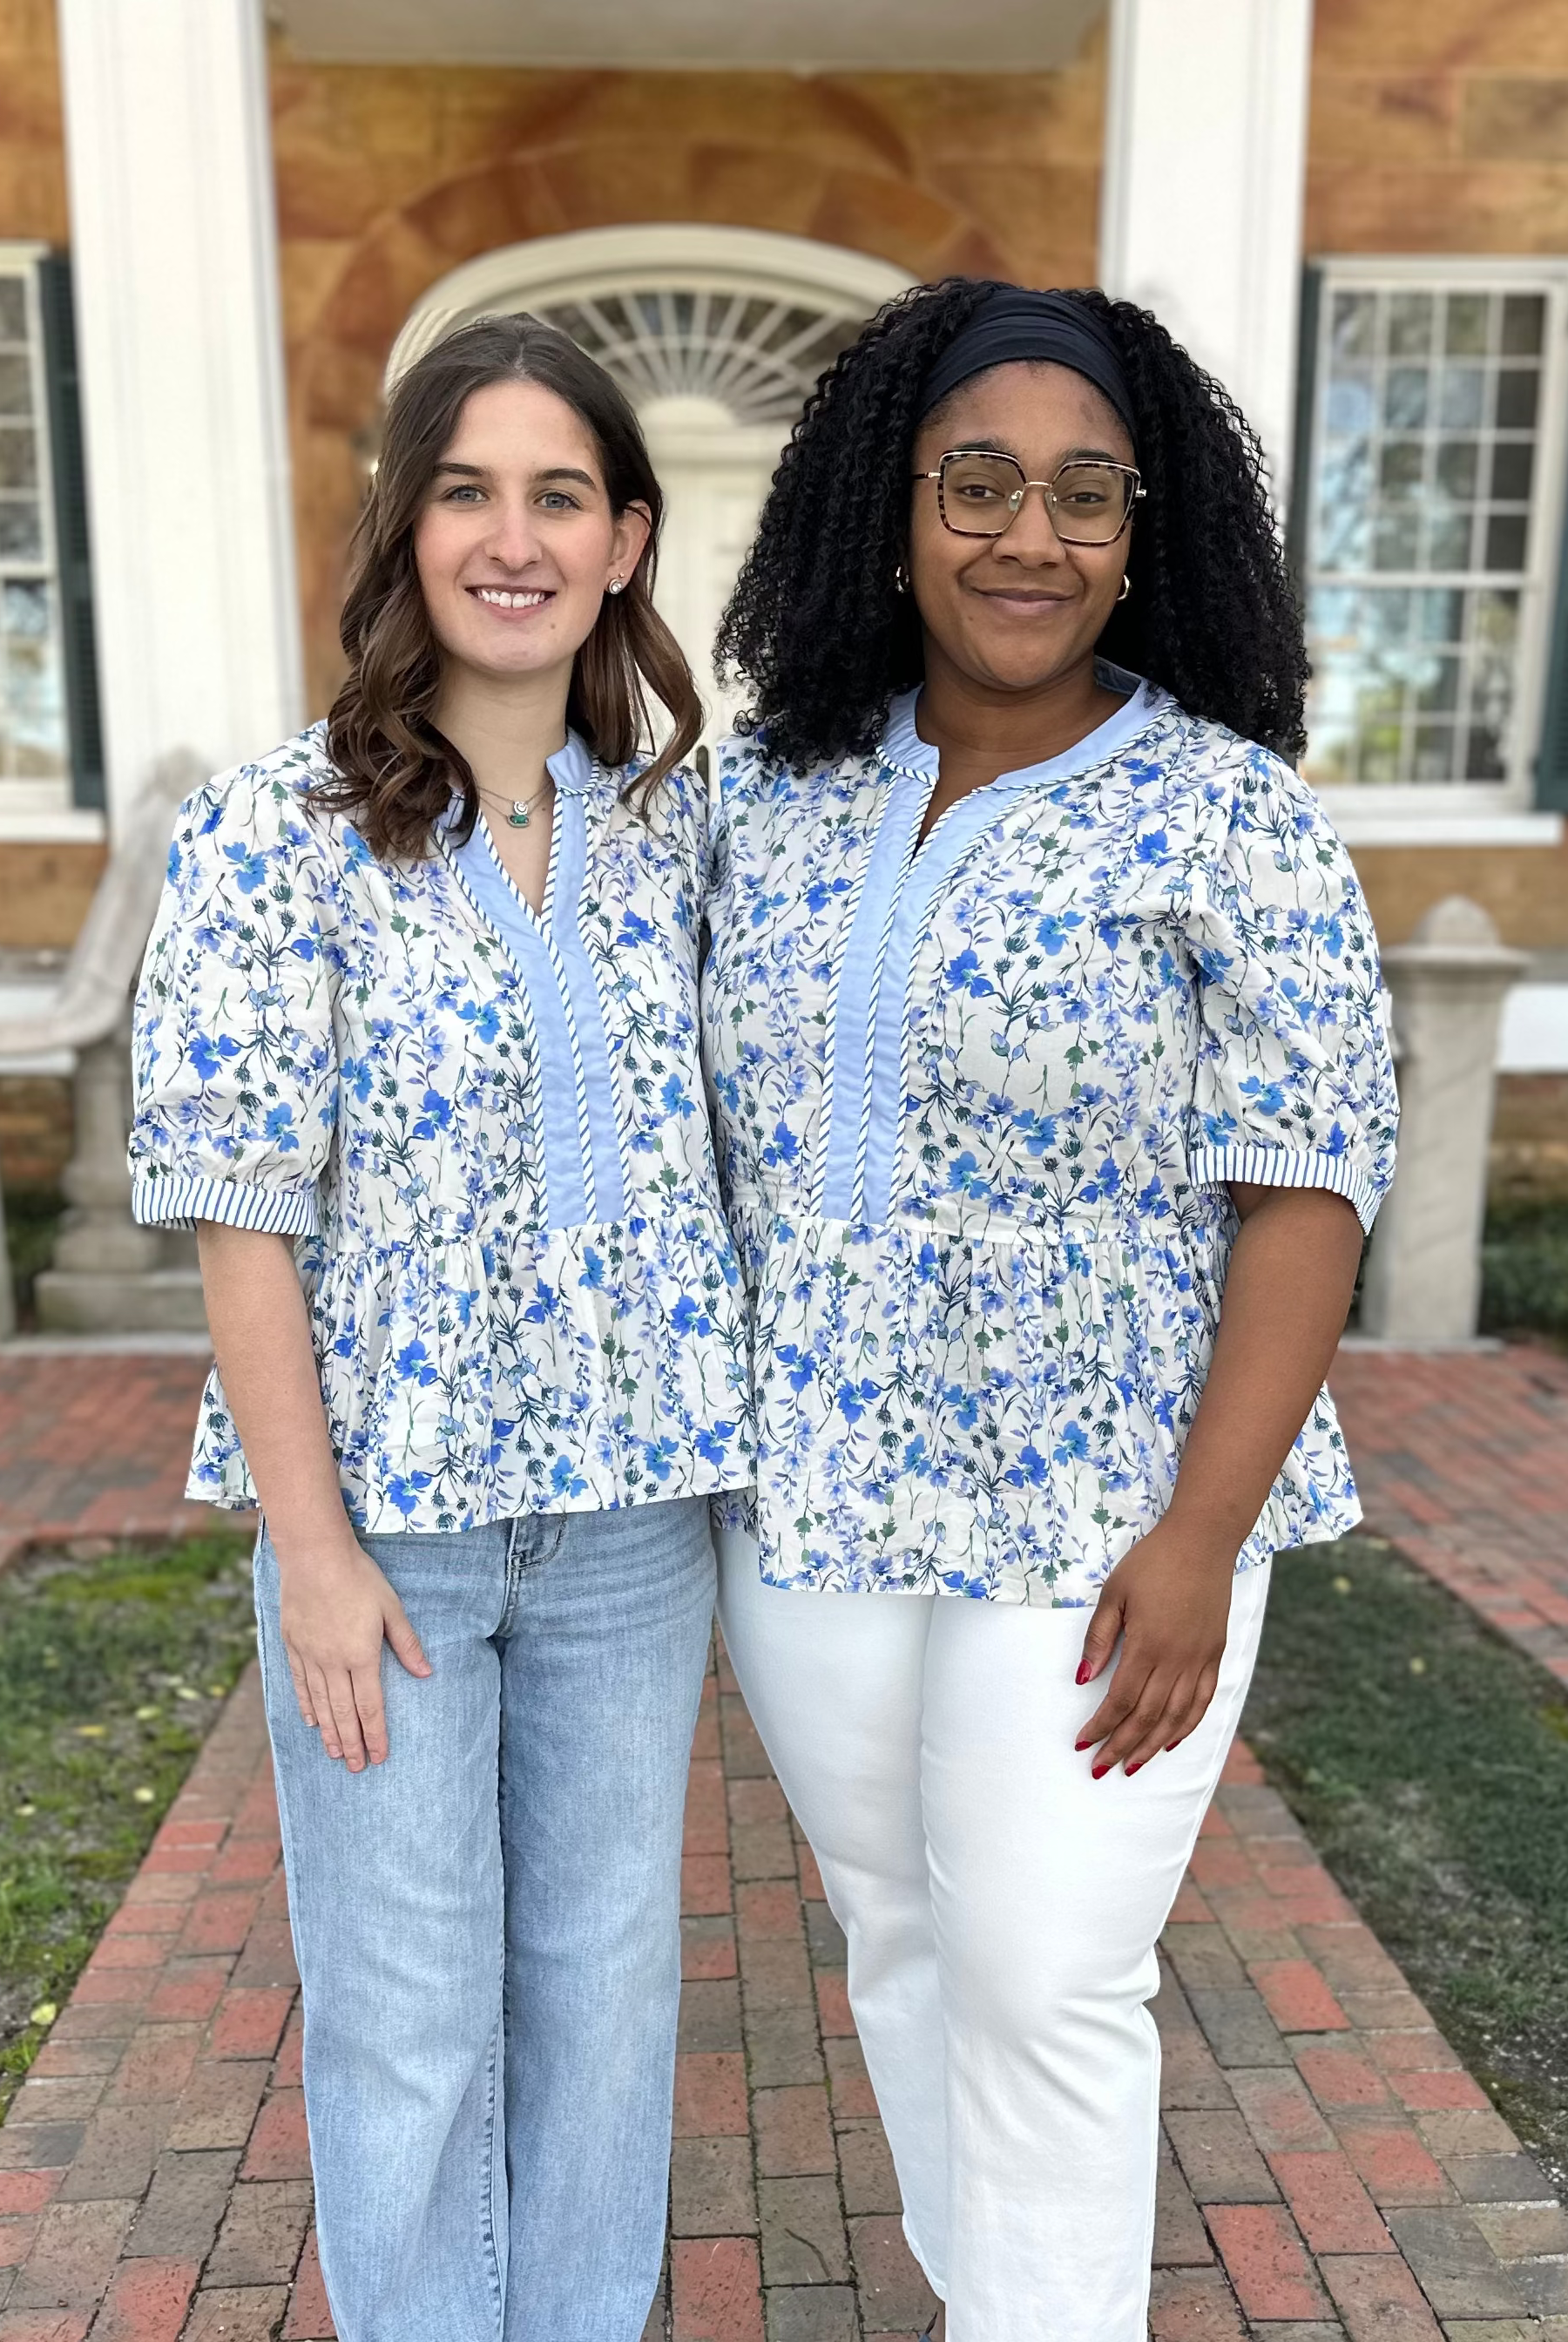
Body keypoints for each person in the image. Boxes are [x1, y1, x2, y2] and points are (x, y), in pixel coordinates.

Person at [700, 280, 1397, 2341]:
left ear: (1146, 528)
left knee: (1045, 1970)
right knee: (902, 1939)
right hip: (815, 1488)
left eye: (1085, 495)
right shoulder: (772, 795)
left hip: (1110, 1503)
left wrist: (1202, 1538)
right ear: (885, 509)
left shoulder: (1229, 813)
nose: (1030, 537)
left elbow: (1308, 1191)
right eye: (978, 483)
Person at [130, 313, 752, 2342]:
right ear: (405, 532)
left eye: (557, 494)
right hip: (384, 1532)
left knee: (602, 2000)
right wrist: (309, 1554)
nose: (512, 536)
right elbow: (241, 1219)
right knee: (405, 2028)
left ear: (628, 540)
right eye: (465, 491)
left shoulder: (686, 834)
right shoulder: (274, 836)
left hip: (637, 1523)